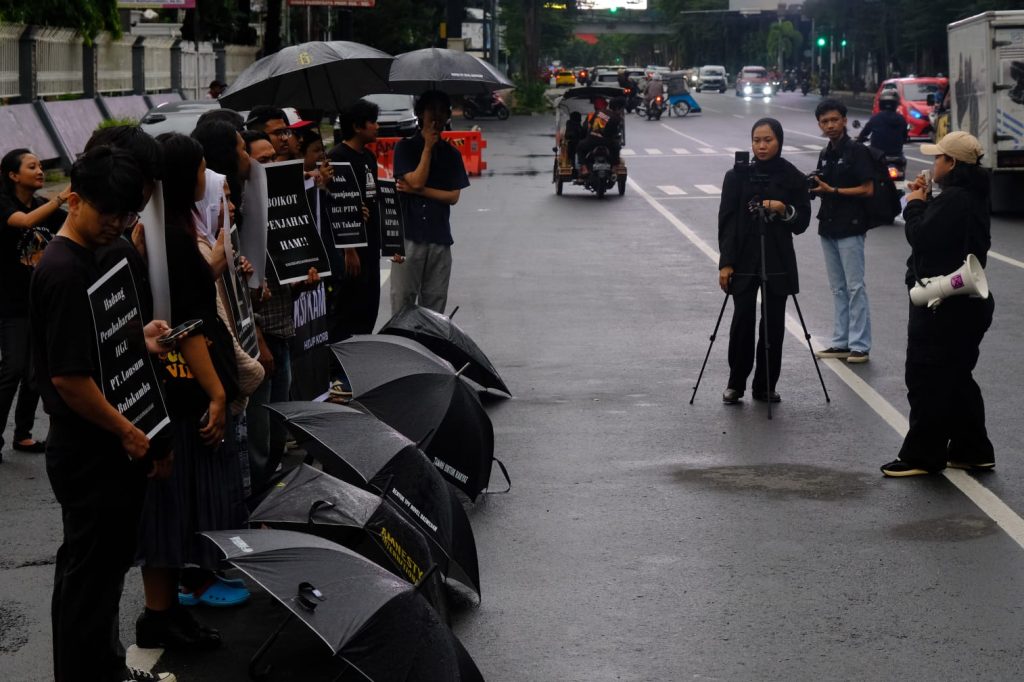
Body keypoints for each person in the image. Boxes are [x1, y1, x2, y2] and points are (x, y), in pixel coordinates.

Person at [30, 145, 175, 682]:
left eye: (125, 213)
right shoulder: (64, 270)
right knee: (89, 577)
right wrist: (130, 433)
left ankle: (104, 665)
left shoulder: (100, 254)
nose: (117, 224)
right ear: (74, 199)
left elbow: (98, 344)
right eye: (107, 212)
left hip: (108, 443)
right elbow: (70, 379)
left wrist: (142, 339)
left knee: (102, 570)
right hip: (90, 450)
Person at [134, 133, 242, 649]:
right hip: (185, 388)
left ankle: (167, 610)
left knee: (170, 508)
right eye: (201, 166)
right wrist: (217, 394)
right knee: (173, 506)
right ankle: (160, 614)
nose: (207, 174)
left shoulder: (158, 229)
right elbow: (187, 325)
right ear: (184, 176)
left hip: (170, 386)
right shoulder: (171, 238)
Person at [881, 132, 995, 477]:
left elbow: (922, 238)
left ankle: (922, 455)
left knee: (926, 376)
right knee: (957, 377)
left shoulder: (955, 200)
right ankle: (972, 450)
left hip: (942, 302)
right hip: (967, 304)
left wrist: (915, 203)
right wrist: (927, 199)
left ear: (952, 164)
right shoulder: (969, 196)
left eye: (938, 158)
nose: (933, 164)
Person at [718, 118, 811, 404]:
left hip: (777, 259)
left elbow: (802, 222)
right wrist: (726, 263)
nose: (761, 145)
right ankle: (736, 383)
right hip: (744, 260)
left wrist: (784, 209)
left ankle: (765, 385)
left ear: (779, 142)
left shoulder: (793, 176)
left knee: (773, 325)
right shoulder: (737, 176)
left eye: (768, 140)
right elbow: (727, 222)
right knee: (742, 322)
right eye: (757, 140)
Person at [0, 148, 70, 460]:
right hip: (10, 303)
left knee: (34, 373)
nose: (40, 170)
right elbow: (25, 221)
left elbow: (73, 226)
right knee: (12, 368)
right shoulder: (5, 205)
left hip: (40, 302)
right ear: (13, 175)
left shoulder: (45, 206)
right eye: (32, 167)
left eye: (41, 165)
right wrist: (62, 197)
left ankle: (24, 434)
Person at [391, 90, 470, 314]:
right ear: (419, 114)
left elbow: (453, 196)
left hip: (439, 237)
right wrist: (427, 147)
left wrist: (422, 191)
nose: (436, 117)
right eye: (431, 110)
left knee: (435, 305)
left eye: (442, 111)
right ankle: (402, 348)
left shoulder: (451, 154)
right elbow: (414, 181)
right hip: (409, 236)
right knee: (403, 302)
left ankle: (429, 349)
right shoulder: (404, 147)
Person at [809, 100, 875, 364]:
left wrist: (833, 191)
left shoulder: (856, 151)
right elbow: (823, 185)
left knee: (855, 287)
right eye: (825, 122)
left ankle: (860, 345)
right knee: (838, 288)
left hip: (851, 226)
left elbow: (868, 189)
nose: (830, 126)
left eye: (834, 120)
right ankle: (841, 342)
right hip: (828, 226)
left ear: (845, 120)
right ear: (820, 125)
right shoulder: (826, 153)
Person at [576, 96, 624, 171]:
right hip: (607, 142)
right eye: (621, 109)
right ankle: (614, 167)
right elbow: (614, 132)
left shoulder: (598, 112)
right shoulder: (616, 117)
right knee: (616, 147)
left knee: (580, 146)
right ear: (618, 108)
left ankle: (584, 168)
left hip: (591, 140)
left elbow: (590, 125)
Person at [856, 90, 907, 157]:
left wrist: (859, 139)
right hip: (897, 155)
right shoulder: (901, 119)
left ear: (881, 103)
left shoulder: (876, 118)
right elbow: (905, 136)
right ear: (896, 104)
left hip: (878, 157)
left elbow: (864, 132)